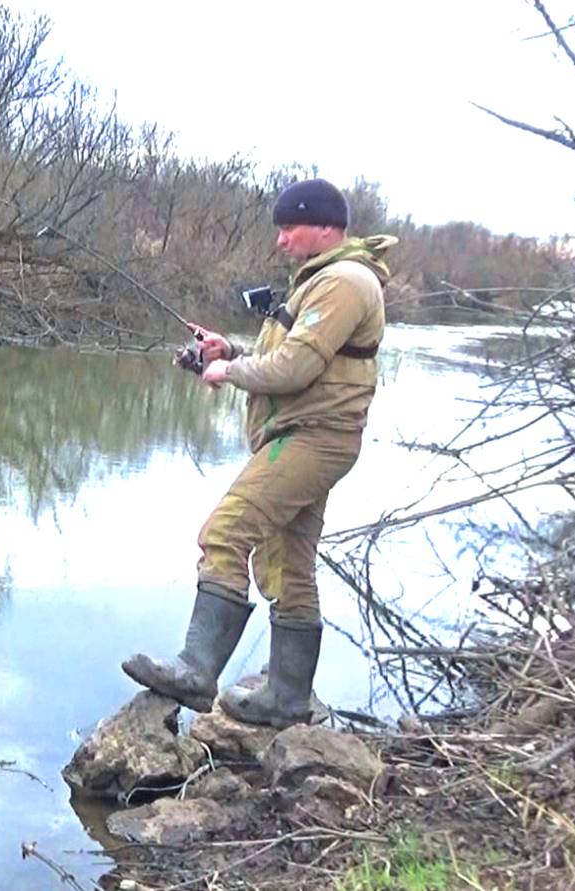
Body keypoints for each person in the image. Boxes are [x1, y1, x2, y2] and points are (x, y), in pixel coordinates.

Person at [122, 178, 396, 729]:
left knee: (225, 532)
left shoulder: (345, 281)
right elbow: (293, 356)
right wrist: (232, 350)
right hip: (306, 435)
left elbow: (294, 371)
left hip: (312, 439)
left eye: (289, 227)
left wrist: (228, 372)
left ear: (324, 227)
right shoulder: (319, 282)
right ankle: (288, 700)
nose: (281, 240)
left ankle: (197, 671)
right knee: (287, 562)